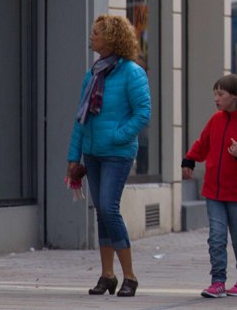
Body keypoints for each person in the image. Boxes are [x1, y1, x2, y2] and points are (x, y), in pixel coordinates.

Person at [66, 15, 152, 298]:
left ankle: (130, 276)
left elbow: (143, 114)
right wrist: (73, 157)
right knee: (101, 213)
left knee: (108, 208)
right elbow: (81, 118)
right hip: (92, 153)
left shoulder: (132, 72)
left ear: (112, 38)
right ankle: (107, 275)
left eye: (96, 34)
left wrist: (116, 135)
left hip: (117, 152)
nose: (91, 38)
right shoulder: (92, 74)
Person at [183, 74, 237, 298]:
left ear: (235, 97)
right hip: (213, 191)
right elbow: (203, 142)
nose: (216, 98)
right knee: (216, 236)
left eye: (221, 94)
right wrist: (190, 159)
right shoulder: (215, 120)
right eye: (215, 93)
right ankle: (217, 281)